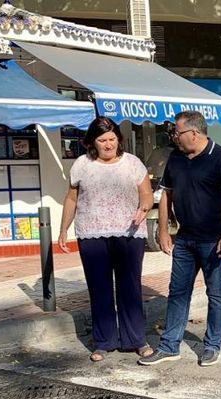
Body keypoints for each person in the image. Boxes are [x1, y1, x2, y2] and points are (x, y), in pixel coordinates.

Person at [139, 111, 221, 367]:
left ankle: (212, 345)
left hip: (214, 240)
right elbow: (166, 197)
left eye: (177, 132)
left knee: (216, 295)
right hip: (184, 240)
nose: (174, 136)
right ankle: (169, 345)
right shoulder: (175, 158)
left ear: (193, 133)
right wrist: (163, 231)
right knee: (178, 293)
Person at [58, 117, 154, 362]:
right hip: (91, 233)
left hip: (129, 233)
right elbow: (71, 199)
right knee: (99, 288)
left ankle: (136, 339)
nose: (108, 144)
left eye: (112, 139)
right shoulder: (81, 165)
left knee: (130, 287)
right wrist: (63, 230)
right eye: (102, 140)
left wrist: (143, 209)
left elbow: (147, 195)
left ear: (119, 140)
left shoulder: (133, 163)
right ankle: (103, 341)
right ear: (93, 141)